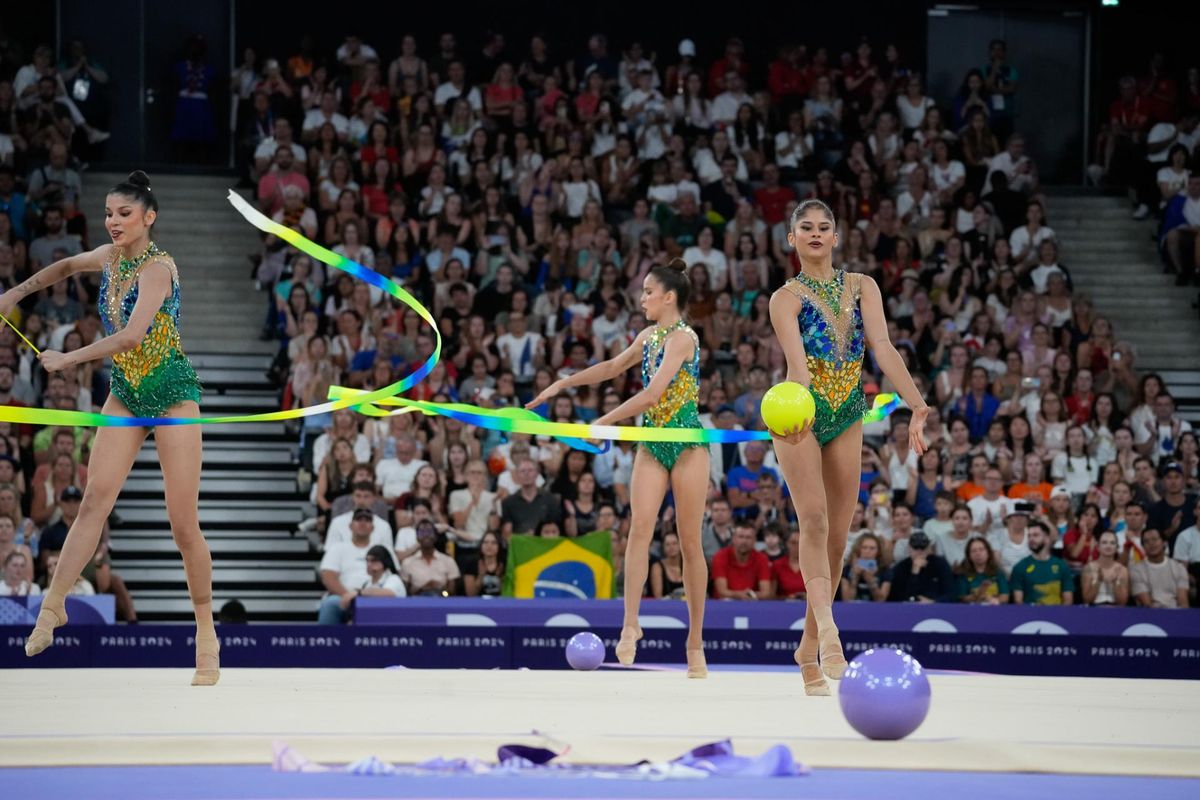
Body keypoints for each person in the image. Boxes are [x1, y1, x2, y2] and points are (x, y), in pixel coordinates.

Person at [0, 171, 217, 685]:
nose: (113, 222)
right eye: (108, 213)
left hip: (171, 393)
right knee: (95, 499)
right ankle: (54, 605)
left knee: (182, 523)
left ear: (149, 217)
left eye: (124, 214)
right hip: (126, 391)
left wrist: (66, 358)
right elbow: (65, 266)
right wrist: (15, 293)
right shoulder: (111, 257)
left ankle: (206, 633)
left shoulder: (159, 269)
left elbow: (133, 336)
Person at [768, 199, 928, 696]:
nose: (815, 234)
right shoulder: (785, 299)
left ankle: (805, 646)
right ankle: (830, 636)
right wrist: (797, 412)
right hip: (800, 416)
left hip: (848, 414)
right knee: (812, 520)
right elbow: (797, 366)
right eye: (805, 228)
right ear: (791, 239)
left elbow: (881, 347)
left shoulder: (864, 287)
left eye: (824, 227)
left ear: (836, 237)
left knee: (838, 536)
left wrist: (916, 403)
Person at [527, 257, 711, 678]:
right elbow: (612, 368)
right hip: (651, 444)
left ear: (669, 297)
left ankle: (695, 642)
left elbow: (652, 394)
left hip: (685, 444)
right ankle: (630, 624)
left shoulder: (683, 338)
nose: (642, 298)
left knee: (688, 543)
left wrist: (603, 422)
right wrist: (563, 382)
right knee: (638, 531)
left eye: (648, 292)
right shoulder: (647, 335)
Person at [1010, 521, 1074, 605]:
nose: (1031, 539)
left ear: (1047, 538)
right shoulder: (1020, 567)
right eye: (1029, 536)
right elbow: (1018, 602)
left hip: (1057, 615)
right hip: (1030, 616)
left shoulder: (1062, 566)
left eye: (1036, 535)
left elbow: (1068, 600)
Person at [886, 530, 955, 603]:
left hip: (936, 608)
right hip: (909, 609)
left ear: (928, 548)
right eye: (915, 548)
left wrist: (933, 602)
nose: (919, 552)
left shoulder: (940, 564)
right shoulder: (901, 568)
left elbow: (950, 593)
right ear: (909, 548)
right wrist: (914, 573)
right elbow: (898, 597)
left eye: (922, 548)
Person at [711, 521, 772, 600]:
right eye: (741, 537)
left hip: (752, 603)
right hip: (724, 605)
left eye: (748, 537)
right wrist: (741, 595)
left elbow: (766, 592)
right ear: (733, 539)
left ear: (754, 540)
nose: (744, 541)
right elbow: (722, 591)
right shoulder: (720, 556)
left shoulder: (762, 558)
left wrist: (750, 595)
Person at [1129, 528, 1189, 609]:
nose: (1151, 543)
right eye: (1146, 541)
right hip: (1150, 615)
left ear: (1164, 543)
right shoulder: (1136, 570)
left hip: (1176, 614)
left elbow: (1183, 602)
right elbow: (1147, 604)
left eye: (1154, 539)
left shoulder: (1179, 567)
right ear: (1143, 547)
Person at [400, 519, 461, 596]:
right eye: (422, 532)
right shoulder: (407, 563)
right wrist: (423, 588)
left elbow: (452, 592)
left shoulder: (448, 561)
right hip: (417, 603)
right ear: (417, 537)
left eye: (429, 532)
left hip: (443, 601)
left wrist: (440, 589)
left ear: (435, 536)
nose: (426, 535)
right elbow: (405, 594)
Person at [1080, 531, 1130, 606]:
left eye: (1112, 543)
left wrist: (1115, 582)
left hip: (1116, 611)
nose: (1108, 546)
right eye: (1104, 542)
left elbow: (1123, 602)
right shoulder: (1088, 568)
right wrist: (1098, 581)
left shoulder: (1123, 570)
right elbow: (1087, 599)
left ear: (1117, 548)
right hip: (1093, 610)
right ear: (1098, 547)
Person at [956, 536, 1010, 604]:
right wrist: (979, 593)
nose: (978, 553)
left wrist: (994, 600)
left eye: (981, 549)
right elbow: (963, 598)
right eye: (974, 551)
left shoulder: (998, 572)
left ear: (988, 553)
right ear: (969, 556)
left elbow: (1005, 596)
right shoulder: (963, 574)